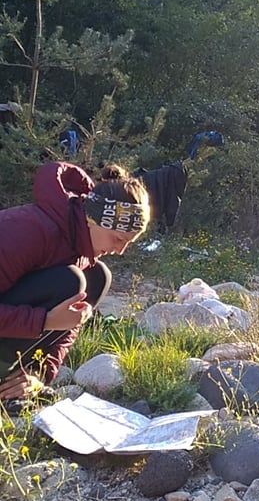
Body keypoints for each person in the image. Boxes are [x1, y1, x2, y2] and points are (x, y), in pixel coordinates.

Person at [0, 161, 150, 406]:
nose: (120, 250)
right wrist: (46, 321)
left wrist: (40, 373)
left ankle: (13, 384)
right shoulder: (28, 231)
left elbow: (70, 325)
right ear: (92, 219)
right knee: (70, 281)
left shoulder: (79, 245)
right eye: (117, 239)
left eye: (128, 243)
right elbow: (56, 320)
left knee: (96, 277)